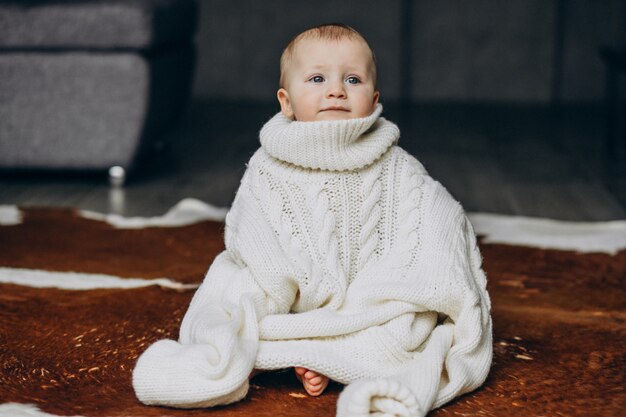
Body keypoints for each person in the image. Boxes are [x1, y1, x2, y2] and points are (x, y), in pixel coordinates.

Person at [133, 24, 492, 417]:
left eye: (352, 79)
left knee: (411, 321)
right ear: (286, 103)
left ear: (373, 101)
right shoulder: (268, 166)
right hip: (290, 296)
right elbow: (252, 234)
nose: (336, 89)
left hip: (372, 298)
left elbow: (430, 217)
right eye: (318, 78)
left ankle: (317, 355)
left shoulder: (396, 165)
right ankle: (305, 351)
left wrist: (437, 226)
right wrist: (274, 282)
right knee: (234, 288)